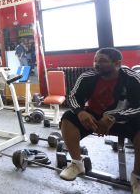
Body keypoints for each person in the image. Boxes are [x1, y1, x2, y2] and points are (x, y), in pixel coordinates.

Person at [58, 48, 140, 193]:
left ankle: (137, 176)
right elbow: (73, 97)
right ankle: (77, 163)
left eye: (102, 61)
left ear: (117, 63)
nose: (96, 64)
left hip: (124, 119)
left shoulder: (132, 78)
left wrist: (114, 117)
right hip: (94, 118)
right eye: (95, 60)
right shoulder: (87, 76)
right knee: (68, 117)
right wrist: (80, 111)